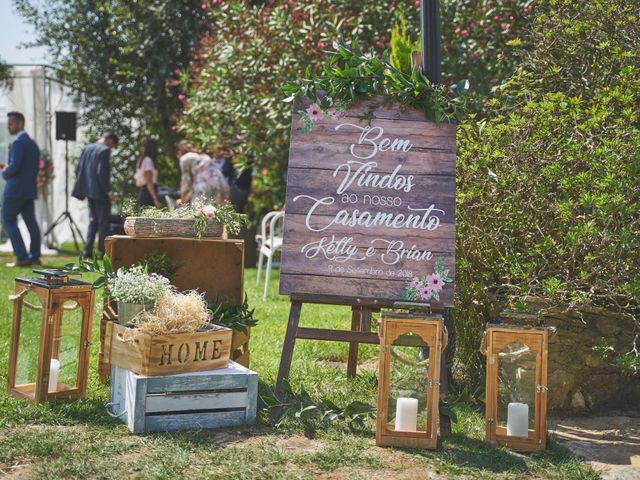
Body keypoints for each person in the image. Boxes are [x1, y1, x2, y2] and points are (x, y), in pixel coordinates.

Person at [0, 111, 41, 267]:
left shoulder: (18, 143)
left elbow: (15, 168)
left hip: (15, 190)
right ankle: (35, 256)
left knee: (8, 219)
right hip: (29, 190)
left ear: (20, 123)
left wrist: (5, 171)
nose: (8, 126)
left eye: (10, 123)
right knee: (31, 222)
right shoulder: (33, 144)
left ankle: (22, 257)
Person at [72, 131, 118, 258]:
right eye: (112, 145)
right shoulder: (104, 150)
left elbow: (78, 169)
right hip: (100, 191)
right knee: (103, 221)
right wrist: (108, 191)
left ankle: (87, 250)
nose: (111, 148)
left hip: (88, 191)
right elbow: (101, 173)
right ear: (110, 140)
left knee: (93, 221)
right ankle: (103, 251)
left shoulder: (87, 148)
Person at [177, 140, 229, 205]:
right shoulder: (204, 156)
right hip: (222, 186)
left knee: (200, 213)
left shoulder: (185, 158)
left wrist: (183, 201)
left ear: (179, 152)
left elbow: (186, 182)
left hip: (203, 189)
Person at [134, 137, 161, 208]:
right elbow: (148, 181)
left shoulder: (142, 159)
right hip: (148, 193)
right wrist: (155, 199)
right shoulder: (148, 160)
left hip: (145, 191)